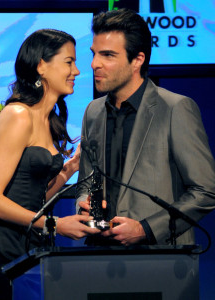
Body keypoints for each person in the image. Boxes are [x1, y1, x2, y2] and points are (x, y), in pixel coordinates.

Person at [0, 29, 100, 300]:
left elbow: (34, 200)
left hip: (31, 244)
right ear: (41, 66)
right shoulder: (19, 115)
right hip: (2, 250)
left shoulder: (47, 119)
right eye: (69, 62)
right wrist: (55, 225)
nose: (77, 71)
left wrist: (70, 169)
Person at [76, 9, 215, 246]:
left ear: (137, 60)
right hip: (100, 256)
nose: (94, 64)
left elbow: (205, 191)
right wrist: (84, 203)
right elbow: (87, 181)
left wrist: (146, 229)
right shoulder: (93, 112)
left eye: (108, 55)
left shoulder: (175, 108)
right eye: (94, 54)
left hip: (161, 258)